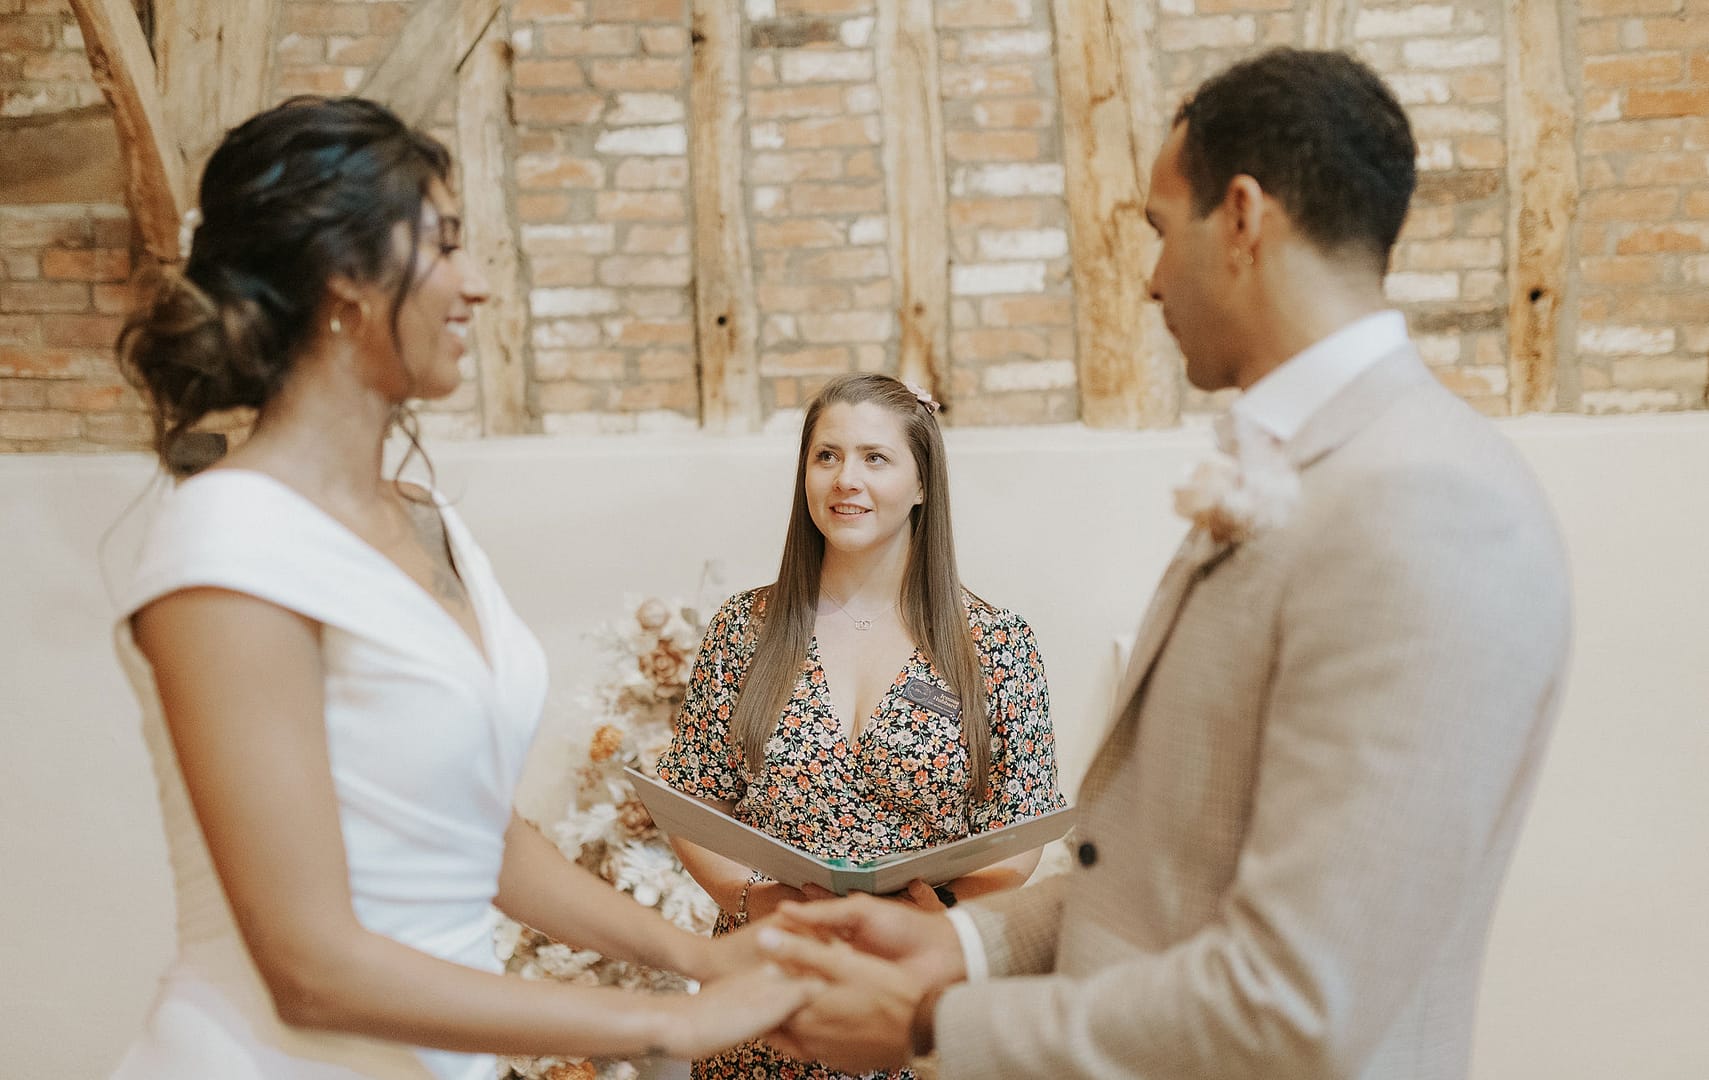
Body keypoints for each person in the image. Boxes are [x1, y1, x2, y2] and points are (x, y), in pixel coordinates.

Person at [757, 47, 1573, 1080]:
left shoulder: (1425, 509)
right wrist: (960, 947)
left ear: (1239, 217)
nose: (1145, 281)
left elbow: (1294, 1002)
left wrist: (931, 1029)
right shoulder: (1303, 471)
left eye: (1156, 228)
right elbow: (1165, 870)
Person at [109, 96, 812, 1080]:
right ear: (344, 280)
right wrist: (668, 1027)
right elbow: (309, 967)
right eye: (442, 244)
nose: (476, 284)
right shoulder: (228, 543)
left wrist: (698, 957)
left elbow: (478, 840)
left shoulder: (428, 516)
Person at [654, 372, 1067, 1080]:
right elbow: (691, 800)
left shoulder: (995, 645)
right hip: (768, 985)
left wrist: (930, 922)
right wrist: (755, 902)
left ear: (921, 484)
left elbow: (1019, 833)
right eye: (826, 456)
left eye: (875, 458)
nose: (846, 479)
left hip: (914, 996)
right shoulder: (743, 629)